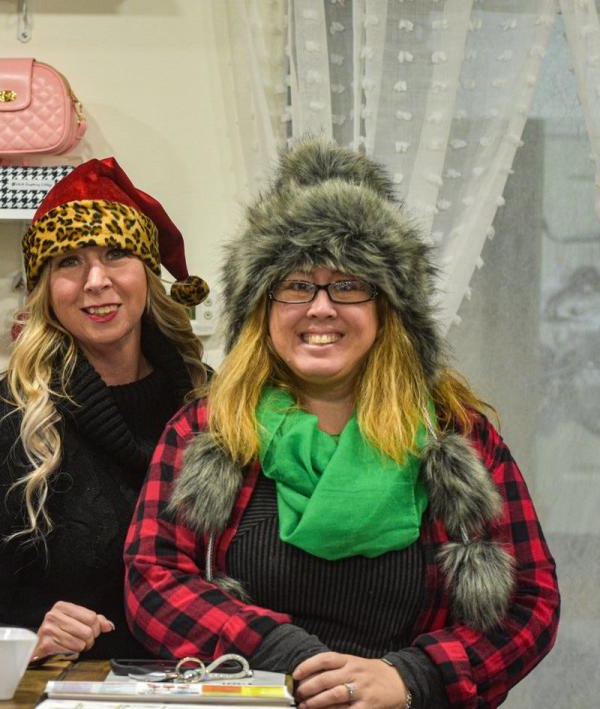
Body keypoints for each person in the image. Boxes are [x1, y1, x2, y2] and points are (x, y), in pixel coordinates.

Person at [124, 139, 560, 708]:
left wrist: (413, 676)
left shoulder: (457, 437)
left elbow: (529, 601)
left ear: (388, 308)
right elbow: (153, 579)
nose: (321, 308)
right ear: (262, 306)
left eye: (350, 284)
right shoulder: (208, 431)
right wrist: (282, 654)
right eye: (297, 285)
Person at [0, 158, 210, 661]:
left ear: (148, 273)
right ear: (44, 290)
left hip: (214, 685)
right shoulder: (12, 421)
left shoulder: (209, 406)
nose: (95, 281)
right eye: (68, 261)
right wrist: (28, 642)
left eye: (117, 254)